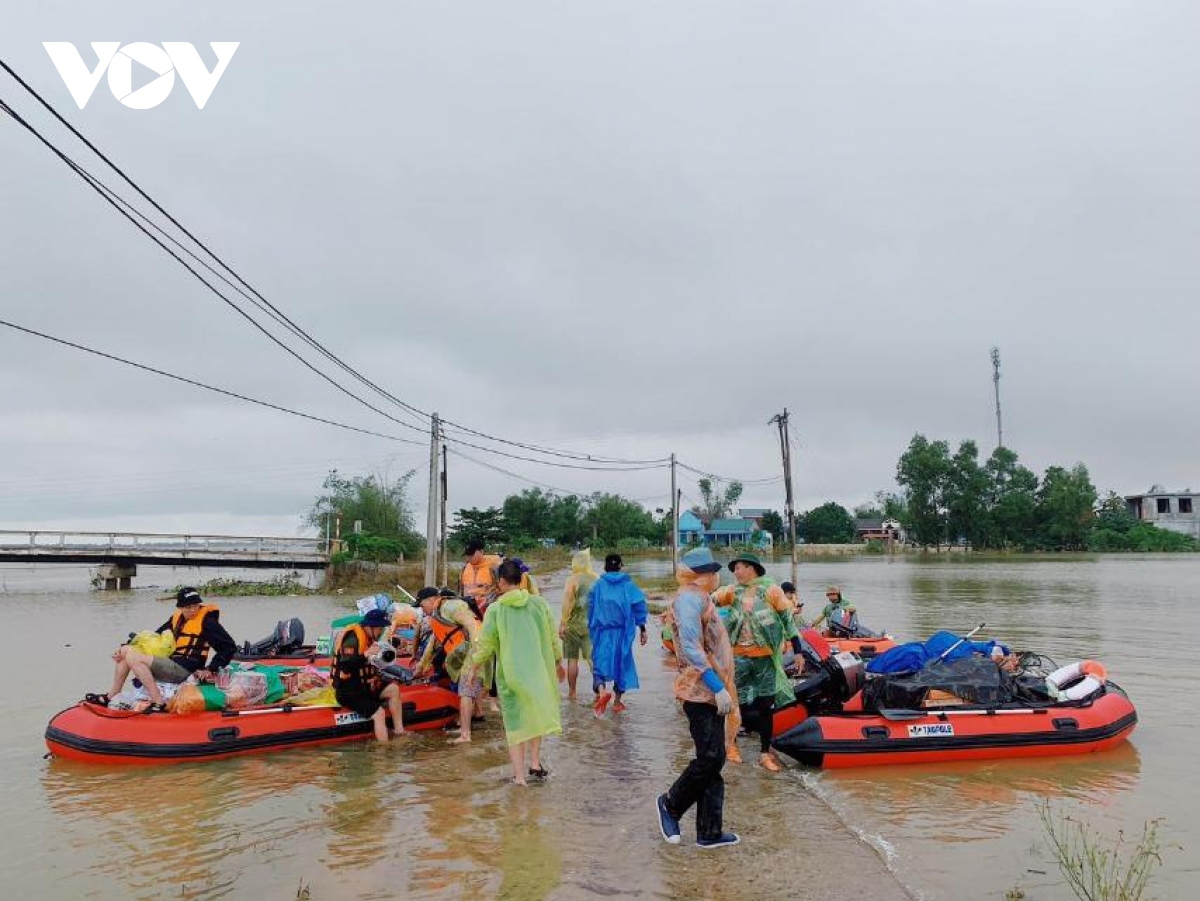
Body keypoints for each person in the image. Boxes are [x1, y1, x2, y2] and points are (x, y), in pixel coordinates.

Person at [655, 547, 739, 849]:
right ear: (704, 575)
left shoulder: (700, 597)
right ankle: (671, 804)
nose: (718, 577)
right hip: (700, 690)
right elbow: (691, 647)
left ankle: (709, 831)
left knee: (714, 759)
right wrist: (716, 685)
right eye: (714, 572)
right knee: (711, 757)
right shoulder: (689, 599)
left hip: (712, 690)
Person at [464, 559, 564, 786]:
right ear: (520, 579)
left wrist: (474, 667)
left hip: (511, 675)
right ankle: (536, 764)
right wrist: (558, 663)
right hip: (538, 671)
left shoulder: (496, 609)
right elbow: (552, 638)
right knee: (534, 715)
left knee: (515, 724)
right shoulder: (539, 604)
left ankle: (520, 778)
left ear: (500, 581)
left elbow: (486, 644)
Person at [711, 552, 803, 773]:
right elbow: (709, 600)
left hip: (765, 657)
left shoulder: (772, 590)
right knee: (734, 703)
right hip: (739, 657)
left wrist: (798, 651)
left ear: (751, 568)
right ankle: (731, 745)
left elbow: (787, 621)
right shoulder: (732, 592)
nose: (735, 572)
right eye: (734, 569)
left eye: (739, 568)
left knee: (766, 705)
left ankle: (764, 752)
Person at [87, 586, 237, 712]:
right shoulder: (177, 619)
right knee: (126, 651)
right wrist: (125, 646)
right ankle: (112, 695)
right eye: (188, 607)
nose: (193, 610)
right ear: (180, 607)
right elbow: (154, 637)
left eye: (196, 606)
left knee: (136, 658)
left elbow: (228, 647)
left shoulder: (207, 622)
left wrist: (211, 669)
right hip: (170, 663)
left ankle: (159, 702)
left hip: (185, 669)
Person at [413, 585, 486, 743]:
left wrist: (475, 655)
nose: (421, 609)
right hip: (462, 655)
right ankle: (464, 728)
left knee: (466, 691)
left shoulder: (452, 606)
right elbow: (435, 642)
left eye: (422, 605)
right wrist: (421, 665)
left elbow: (474, 627)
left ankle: (465, 735)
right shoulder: (438, 614)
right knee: (465, 690)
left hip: (474, 651)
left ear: (432, 600)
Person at [587, 552, 648, 716]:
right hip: (623, 633)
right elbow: (639, 606)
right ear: (620, 566)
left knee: (600, 663)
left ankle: (601, 691)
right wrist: (642, 628)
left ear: (605, 567)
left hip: (603, 632)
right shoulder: (628, 585)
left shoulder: (598, 585)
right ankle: (617, 701)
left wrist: (592, 629)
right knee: (622, 664)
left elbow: (591, 609)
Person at [332, 608, 405, 742]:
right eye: (379, 628)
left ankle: (400, 731)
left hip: (365, 686)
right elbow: (345, 666)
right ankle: (384, 749)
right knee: (379, 713)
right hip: (348, 691)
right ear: (370, 626)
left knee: (394, 689)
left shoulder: (370, 638)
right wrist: (366, 654)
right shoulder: (352, 639)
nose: (381, 631)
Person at [559, 548, 598, 701]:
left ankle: (572, 692)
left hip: (573, 625)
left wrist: (562, 623)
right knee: (593, 659)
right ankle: (599, 691)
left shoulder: (572, 580)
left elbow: (567, 604)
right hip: (592, 625)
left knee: (572, 660)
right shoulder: (596, 579)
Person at [459, 541, 503, 615]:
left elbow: (503, 590)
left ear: (481, 551)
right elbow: (461, 590)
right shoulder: (465, 568)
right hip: (469, 610)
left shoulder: (494, 567)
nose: (468, 558)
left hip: (488, 611)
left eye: (471, 555)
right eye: (467, 555)